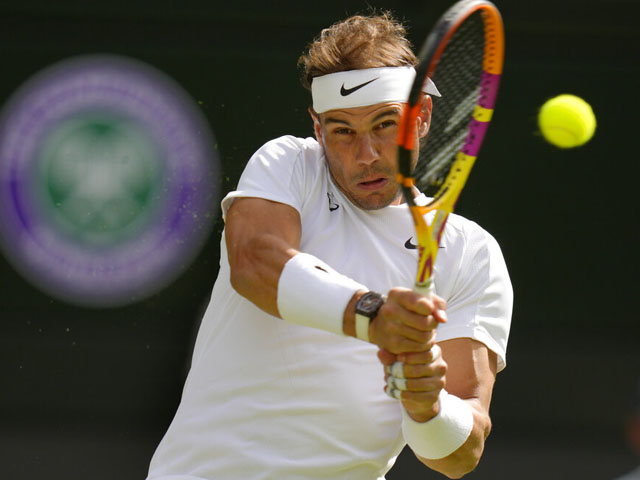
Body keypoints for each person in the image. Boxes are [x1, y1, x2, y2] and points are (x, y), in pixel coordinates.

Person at [146, 12, 512, 480]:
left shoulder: (469, 251)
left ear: (421, 116)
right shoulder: (290, 165)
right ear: (318, 129)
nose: (366, 155)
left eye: (385, 124)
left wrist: (428, 408)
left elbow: (461, 456)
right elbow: (254, 264)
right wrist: (374, 316)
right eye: (343, 131)